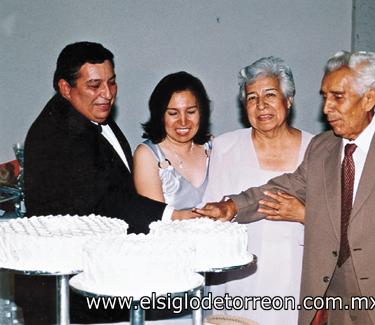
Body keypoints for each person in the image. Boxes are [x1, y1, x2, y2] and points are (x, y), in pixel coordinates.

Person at [196, 51, 375, 325]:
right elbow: (281, 187)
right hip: (333, 306)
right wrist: (231, 206)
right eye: (324, 96)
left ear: (369, 98)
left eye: (337, 97)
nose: (326, 109)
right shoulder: (322, 148)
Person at [21, 41, 192, 324]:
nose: (107, 94)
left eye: (112, 83)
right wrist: (171, 215)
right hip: (74, 294)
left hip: (96, 282)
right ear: (65, 88)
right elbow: (104, 200)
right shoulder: (61, 134)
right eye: (94, 85)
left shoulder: (87, 114)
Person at [202, 56, 313, 324]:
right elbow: (211, 221)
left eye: (270, 95)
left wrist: (304, 214)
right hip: (240, 280)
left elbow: (340, 221)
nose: (261, 105)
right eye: (252, 98)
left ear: (289, 100)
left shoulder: (318, 149)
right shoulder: (225, 147)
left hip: (298, 280)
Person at [134, 71, 212, 209]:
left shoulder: (213, 147)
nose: (183, 121)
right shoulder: (147, 155)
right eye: (173, 113)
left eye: (191, 112)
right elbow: (154, 218)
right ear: (160, 115)